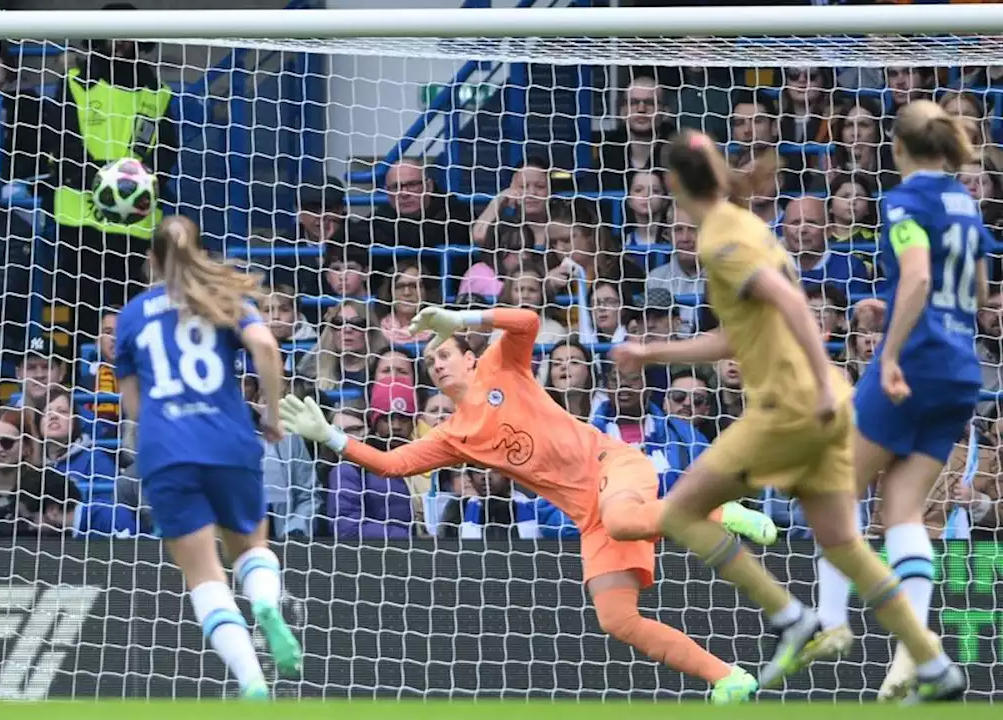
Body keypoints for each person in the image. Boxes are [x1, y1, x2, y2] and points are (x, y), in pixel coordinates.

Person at [610, 129, 964, 701]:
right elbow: (736, 336)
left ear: (672, 184)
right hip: (825, 403)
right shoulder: (747, 224)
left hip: (790, 407)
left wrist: (819, 378)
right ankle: (932, 662)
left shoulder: (722, 238)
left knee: (677, 511)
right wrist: (652, 352)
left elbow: (791, 300)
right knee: (845, 543)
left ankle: (789, 615)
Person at [280, 306, 777, 705]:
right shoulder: (454, 436)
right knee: (617, 619)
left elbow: (529, 324)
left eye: (446, 352)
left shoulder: (503, 366)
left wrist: (465, 318)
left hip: (614, 466)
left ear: (470, 358)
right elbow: (391, 465)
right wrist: (329, 436)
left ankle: (719, 513)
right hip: (591, 515)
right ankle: (729, 677)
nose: (438, 362)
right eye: (431, 362)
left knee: (626, 521)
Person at [809, 100, 989, 701]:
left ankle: (829, 621)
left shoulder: (905, 201)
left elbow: (915, 275)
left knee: (834, 491)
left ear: (896, 148)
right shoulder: (966, 202)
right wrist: (901, 308)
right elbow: (976, 289)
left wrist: (888, 350)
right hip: (961, 371)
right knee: (903, 512)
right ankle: (916, 652)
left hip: (915, 364)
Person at [114, 216, 301, 698]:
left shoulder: (133, 314)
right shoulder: (224, 296)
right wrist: (274, 413)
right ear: (200, 251)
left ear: (151, 261)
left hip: (167, 448)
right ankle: (266, 606)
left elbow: (132, 403)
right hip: (228, 438)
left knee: (203, 575)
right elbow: (263, 344)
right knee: (252, 550)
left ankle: (251, 681)